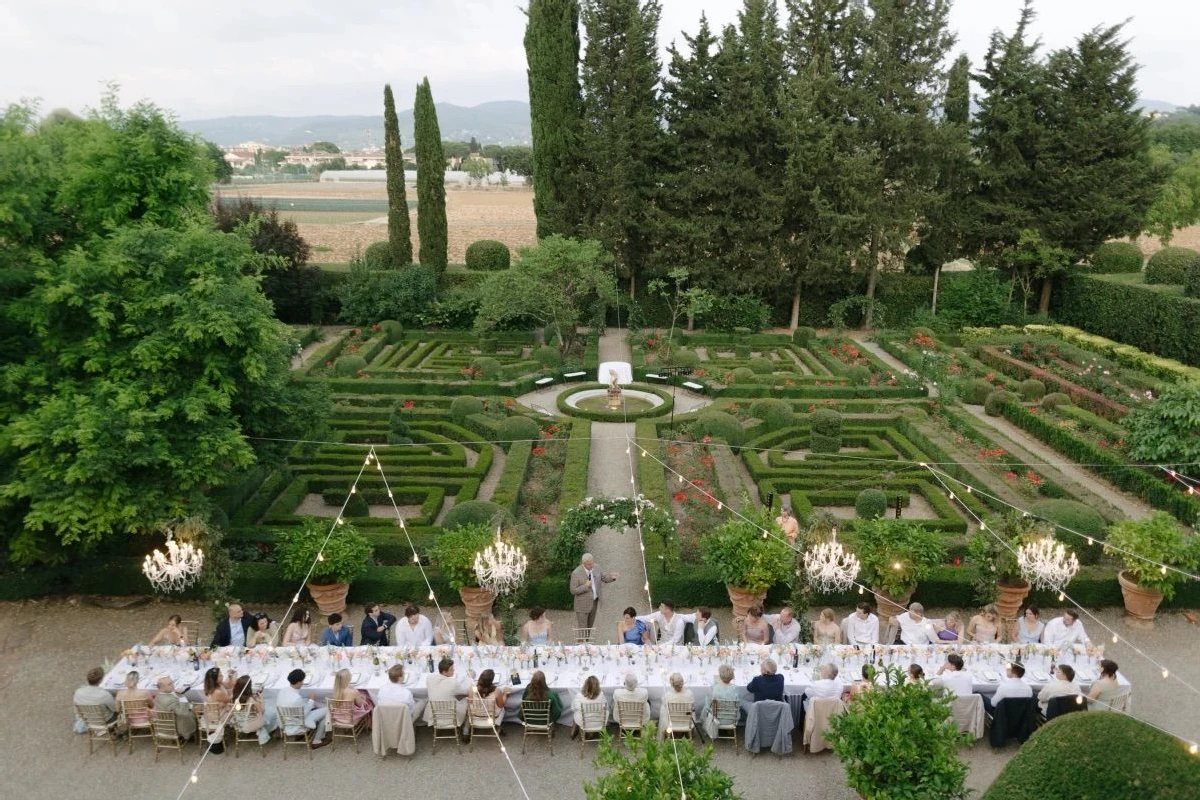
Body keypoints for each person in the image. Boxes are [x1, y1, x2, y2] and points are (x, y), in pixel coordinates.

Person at [276, 668, 329, 748]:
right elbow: (304, 713)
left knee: (308, 701)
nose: (303, 683)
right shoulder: (296, 699)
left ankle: (304, 734)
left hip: (285, 721)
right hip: (299, 723)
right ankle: (317, 740)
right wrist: (311, 700)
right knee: (328, 710)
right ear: (298, 682)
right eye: (302, 681)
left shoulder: (282, 691)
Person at [570, 553, 618, 632]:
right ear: (583, 563)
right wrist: (585, 586)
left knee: (589, 627)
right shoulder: (576, 573)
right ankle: (582, 644)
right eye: (589, 564)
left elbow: (604, 577)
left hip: (594, 603)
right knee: (583, 629)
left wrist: (612, 577)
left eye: (592, 563)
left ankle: (587, 643)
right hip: (582, 606)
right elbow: (573, 590)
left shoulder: (597, 567)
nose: (592, 566)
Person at [231, 675, 277, 745]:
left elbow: (240, 708)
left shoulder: (235, 698)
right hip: (252, 723)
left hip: (239, 722)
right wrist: (261, 698)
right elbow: (262, 711)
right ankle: (274, 731)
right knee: (273, 711)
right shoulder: (251, 700)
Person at [423, 657, 469, 726]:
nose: (454, 670)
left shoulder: (429, 678)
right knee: (466, 700)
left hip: (434, 715)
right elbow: (465, 692)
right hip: (450, 716)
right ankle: (466, 726)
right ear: (444, 671)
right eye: (451, 669)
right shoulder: (453, 682)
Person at [154, 676, 198, 740]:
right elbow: (183, 713)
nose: (173, 685)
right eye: (170, 684)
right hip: (177, 726)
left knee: (194, 705)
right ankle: (194, 731)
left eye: (172, 683)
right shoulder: (168, 700)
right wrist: (182, 695)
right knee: (200, 708)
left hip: (167, 723)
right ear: (162, 688)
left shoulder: (159, 696)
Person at [569, 675, 604, 739]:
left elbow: (573, 708)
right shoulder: (601, 695)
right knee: (601, 711)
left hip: (583, 722)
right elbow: (605, 708)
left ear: (585, 685)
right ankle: (590, 732)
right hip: (598, 721)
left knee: (576, 712)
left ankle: (574, 729)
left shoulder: (579, 696)